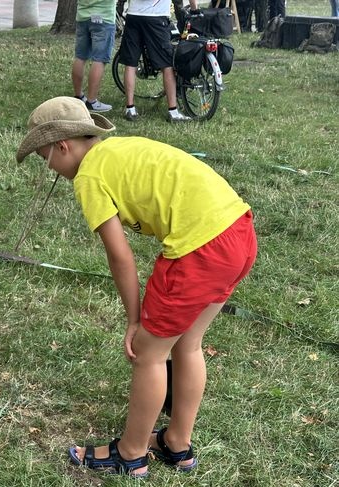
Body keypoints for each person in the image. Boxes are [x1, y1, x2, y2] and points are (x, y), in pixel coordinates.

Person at [16, 97, 257, 477]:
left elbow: (120, 256)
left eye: (44, 158)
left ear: (62, 147)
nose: (49, 169)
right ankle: (176, 443)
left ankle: (130, 454)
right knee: (187, 344)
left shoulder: (89, 176)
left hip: (200, 249)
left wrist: (134, 321)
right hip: (239, 231)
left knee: (148, 351)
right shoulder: (117, 149)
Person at [119, 0, 198, 122]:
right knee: (167, 64)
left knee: (131, 63)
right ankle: (173, 111)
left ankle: (130, 108)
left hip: (133, 16)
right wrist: (194, 9)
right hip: (156, 17)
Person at [71, 0, 116, 112]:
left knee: (80, 57)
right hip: (104, 17)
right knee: (99, 59)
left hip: (82, 17)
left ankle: (78, 96)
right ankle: (92, 101)